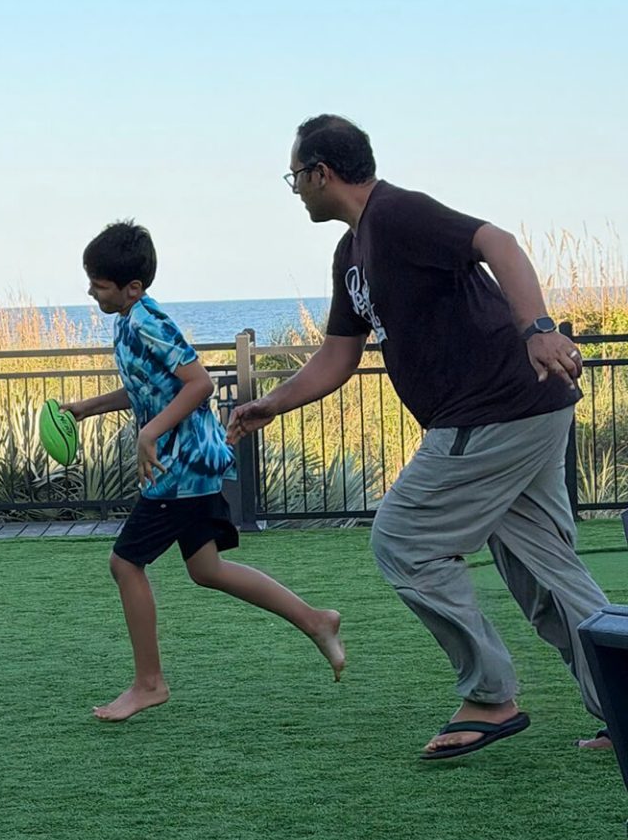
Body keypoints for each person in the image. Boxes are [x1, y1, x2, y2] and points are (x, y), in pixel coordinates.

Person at [226, 114, 612, 758]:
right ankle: (624, 708)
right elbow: (338, 354)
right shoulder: (352, 252)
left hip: (494, 411)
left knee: (403, 538)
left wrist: (539, 326)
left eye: (296, 176)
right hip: (521, 409)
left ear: (323, 172)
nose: (294, 189)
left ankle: (490, 695)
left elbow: (498, 242)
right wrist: (274, 402)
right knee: (548, 576)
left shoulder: (396, 215)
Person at [62, 220, 344, 721]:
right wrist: (89, 407)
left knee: (125, 563)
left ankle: (149, 683)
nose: (90, 290)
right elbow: (151, 387)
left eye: (98, 284)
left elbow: (199, 384)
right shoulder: (127, 322)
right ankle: (316, 620)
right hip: (189, 467)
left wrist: (150, 435)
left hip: (181, 468)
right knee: (206, 569)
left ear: (132, 287)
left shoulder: (149, 320)